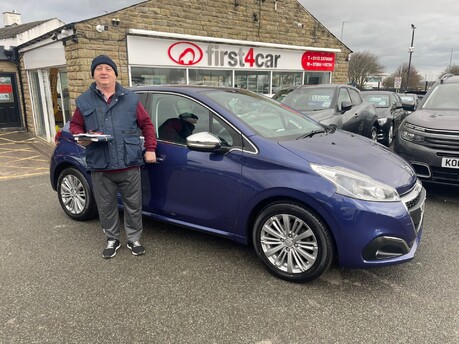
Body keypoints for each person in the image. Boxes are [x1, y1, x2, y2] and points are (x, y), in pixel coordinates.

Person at [70, 55, 157, 259]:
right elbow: (75, 125)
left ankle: (134, 239)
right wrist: (81, 138)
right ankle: (112, 239)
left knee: (133, 205)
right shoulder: (84, 101)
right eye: (98, 68)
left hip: (129, 163)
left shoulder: (131, 98)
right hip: (101, 165)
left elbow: (147, 125)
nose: (103, 72)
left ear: (114, 74)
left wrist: (151, 148)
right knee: (106, 207)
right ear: (93, 74)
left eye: (108, 69)